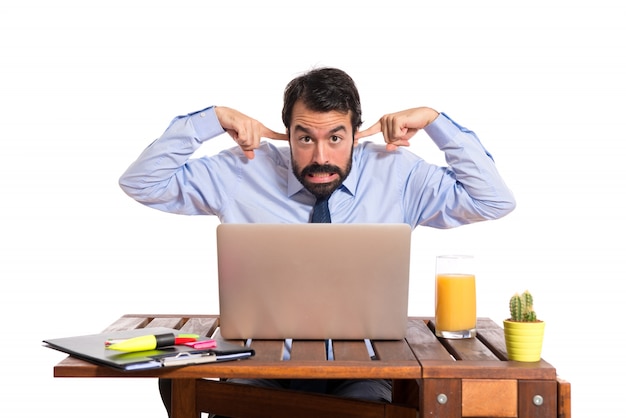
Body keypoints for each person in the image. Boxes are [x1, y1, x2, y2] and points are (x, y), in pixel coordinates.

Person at [119, 67, 516, 416]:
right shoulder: (244, 169)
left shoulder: (396, 172)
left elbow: (493, 200)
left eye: (336, 138)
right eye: (305, 138)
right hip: (258, 368)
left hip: (364, 370)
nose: (320, 156)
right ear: (285, 133)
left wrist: (434, 121)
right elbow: (141, 183)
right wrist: (211, 120)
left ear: (357, 134)